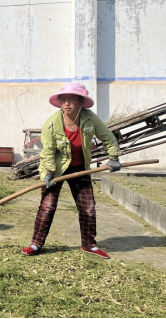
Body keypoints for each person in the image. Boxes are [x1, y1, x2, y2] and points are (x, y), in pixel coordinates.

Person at [22, 82, 121, 259]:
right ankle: (35, 244)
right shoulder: (52, 124)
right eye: (64, 100)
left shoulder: (90, 118)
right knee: (48, 206)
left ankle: (89, 245)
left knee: (88, 208)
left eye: (71, 100)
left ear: (81, 102)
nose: (67, 104)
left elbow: (108, 137)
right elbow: (48, 151)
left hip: (80, 168)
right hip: (55, 170)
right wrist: (48, 174)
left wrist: (113, 157)